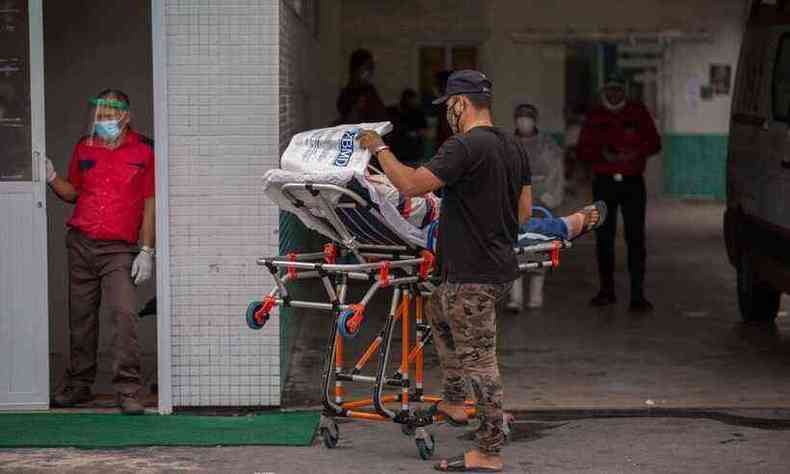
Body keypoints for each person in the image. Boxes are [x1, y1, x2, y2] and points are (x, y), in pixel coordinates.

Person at [359, 69, 526, 473]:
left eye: (449, 106)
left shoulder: (464, 147)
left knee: (480, 360)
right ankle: (453, 400)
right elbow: (521, 211)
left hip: (474, 274)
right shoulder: (512, 146)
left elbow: (412, 186)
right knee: (438, 311)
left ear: (461, 104)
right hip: (491, 268)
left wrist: (379, 149)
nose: (447, 113)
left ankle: (488, 451)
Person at [46, 89, 155, 415]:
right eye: (100, 114)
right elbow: (73, 192)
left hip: (118, 249)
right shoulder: (84, 147)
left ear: (126, 116)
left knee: (123, 315)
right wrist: (51, 178)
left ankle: (128, 389)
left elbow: (150, 205)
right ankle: (79, 384)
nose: (104, 120)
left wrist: (148, 250)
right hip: (81, 243)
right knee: (81, 319)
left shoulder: (145, 152)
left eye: (111, 114)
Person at [577, 74, 661, 312]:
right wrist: (601, 153)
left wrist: (634, 152)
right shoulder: (595, 116)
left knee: (636, 239)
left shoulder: (638, 112)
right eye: (609, 90)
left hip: (633, 183)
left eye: (618, 90)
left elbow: (655, 143)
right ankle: (607, 291)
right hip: (604, 184)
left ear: (625, 91)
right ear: (603, 91)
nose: (614, 94)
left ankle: (637, 295)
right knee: (604, 238)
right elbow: (582, 149)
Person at [508, 104, 565, 311]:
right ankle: (515, 298)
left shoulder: (547, 145)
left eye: (528, 117)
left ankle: (536, 296)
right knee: (515, 249)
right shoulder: (507, 144)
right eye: (520, 118)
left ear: (535, 120)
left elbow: (556, 173)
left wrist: (548, 196)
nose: (524, 122)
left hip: (541, 205)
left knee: (538, 248)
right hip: (513, 205)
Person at [335, 49, 389, 124]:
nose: (371, 72)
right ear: (357, 69)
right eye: (368, 67)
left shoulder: (369, 90)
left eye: (372, 68)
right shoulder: (347, 94)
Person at [390, 88, 428, 166]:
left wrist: (416, 133)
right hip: (399, 151)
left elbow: (424, 131)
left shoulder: (418, 113)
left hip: (414, 152)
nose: (412, 101)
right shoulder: (396, 113)